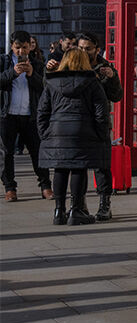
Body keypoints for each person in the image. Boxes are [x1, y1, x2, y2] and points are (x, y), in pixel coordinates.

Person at [54, 33, 124, 221]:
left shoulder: (105, 67)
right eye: (81, 47)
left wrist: (112, 78)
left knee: (102, 165)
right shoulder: (72, 63)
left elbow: (117, 96)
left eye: (88, 48)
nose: (84, 51)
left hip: (99, 123)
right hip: (78, 124)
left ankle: (104, 204)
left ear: (97, 50)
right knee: (78, 167)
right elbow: (55, 90)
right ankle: (79, 204)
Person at [36, 48, 110, 225]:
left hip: (57, 130)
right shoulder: (92, 83)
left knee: (60, 169)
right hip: (83, 130)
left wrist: (45, 133)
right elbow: (101, 113)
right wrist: (101, 134)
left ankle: (58, 211)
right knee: (79, 168)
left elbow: (42, 111)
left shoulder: (52, 83)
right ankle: (76, 210)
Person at [1, 30, 51, 201]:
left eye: (24, 47)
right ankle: (10, 188)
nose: (21, 51)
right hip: (7, 115)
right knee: (6, 153)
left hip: (30, 115)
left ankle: (45, 186)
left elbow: (45, 87)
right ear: (11, 46)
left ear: (30, 46)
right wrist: (12, 73)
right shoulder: (3, 61)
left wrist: (31, 74)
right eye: (17, 48)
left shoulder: (37, 64)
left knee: (37, 151)